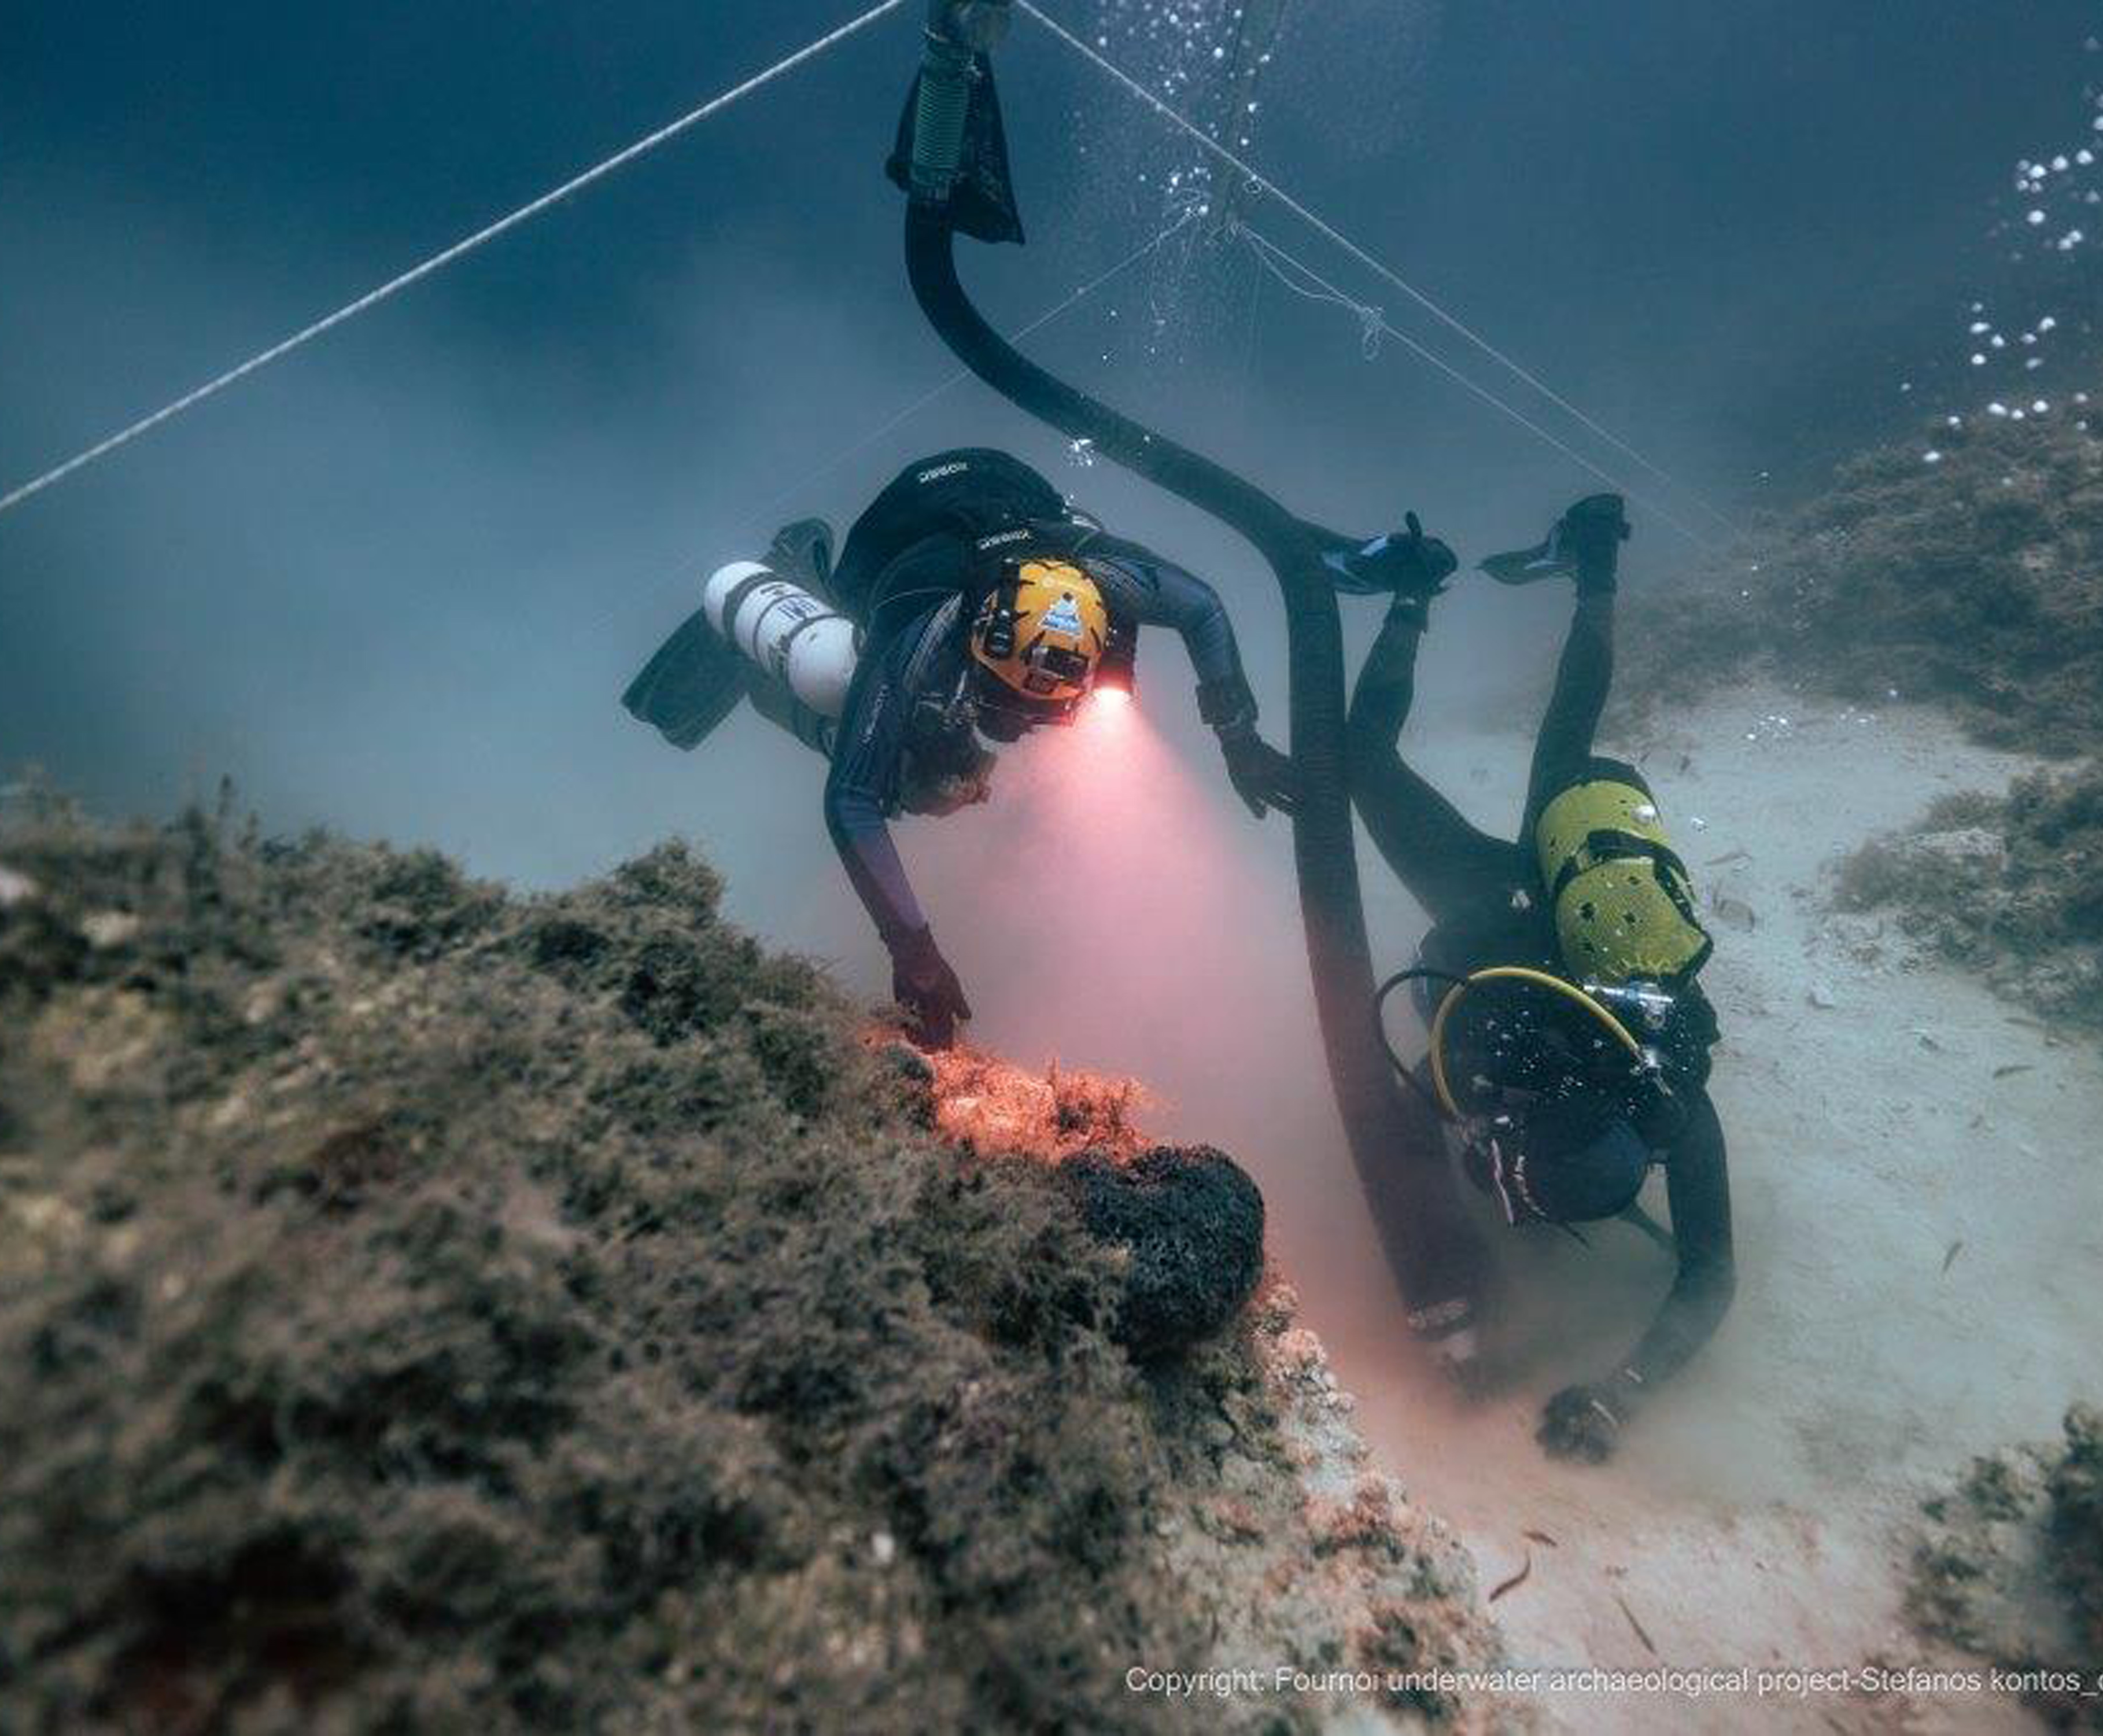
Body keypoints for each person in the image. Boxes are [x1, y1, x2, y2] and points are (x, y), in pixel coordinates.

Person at [628, 447, 1294, 1049]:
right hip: (893, 540)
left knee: (963, 758)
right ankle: (794, 570)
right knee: (891, 754)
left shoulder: (1105, 577)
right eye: (1011, 704)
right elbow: (851, 801)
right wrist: (912, 951)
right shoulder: (923, 629)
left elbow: (1202, 606)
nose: (1026, 727)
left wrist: (1243, 743)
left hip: (1023, 494)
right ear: (976, 651)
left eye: (1046, 710)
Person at [1349, 492, 1736, 1462]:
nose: (1505, 1195)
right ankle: (1421, 591)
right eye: (1513, 1183)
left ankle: (1570, 566)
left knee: (1560, 736)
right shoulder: (1493, 1047)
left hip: (1540, 917)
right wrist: (1448, 1305)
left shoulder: (1671, 1095)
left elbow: (1711, 1276)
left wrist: (1623, 1392)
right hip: (1494, 910)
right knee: (1361, 758)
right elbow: (1389, 1124)